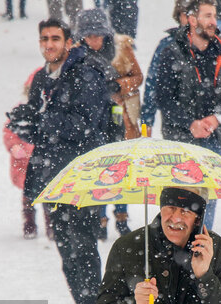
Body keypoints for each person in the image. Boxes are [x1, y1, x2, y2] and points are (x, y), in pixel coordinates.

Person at [6, 18, 108, 304]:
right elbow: (41, 127)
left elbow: (85, 126)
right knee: (66, 248)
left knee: (85, 246)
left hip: (84, 173)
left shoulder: (86, 72)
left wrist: (41, 121)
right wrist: (23, 123)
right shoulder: (40, 78)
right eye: (44, 39)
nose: (49, 44)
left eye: (55, 39)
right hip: (53, 176)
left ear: (68, 42)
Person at [156, 0, 221, 230]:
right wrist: (190, 123)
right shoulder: (172, 51)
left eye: (214, 16)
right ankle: (179, 258)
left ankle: (200, 256)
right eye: (208, 16)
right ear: (192, 19)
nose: (213, 22)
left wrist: (216, 118)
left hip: (211, 140)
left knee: (206, 208)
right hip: (179, 142)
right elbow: (163, 98)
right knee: (179, 208)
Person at [75, 8, 143, 238]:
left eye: (98, 35)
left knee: (121, 170)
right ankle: (100, 218)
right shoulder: (78, 55)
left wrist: (119, 86)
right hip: (93, 121)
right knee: (100, 171)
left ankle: (122, 217)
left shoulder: (121, 48)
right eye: (88, 35)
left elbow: (138, 77)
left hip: (122, 117)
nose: (94, 40)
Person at [3, 69, 53, 240]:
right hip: (24, 161)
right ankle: (29, 221)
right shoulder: (22, 110)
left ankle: (50, 223)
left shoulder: (49, 110)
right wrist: (14, 146)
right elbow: (9, 132)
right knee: (28, 193)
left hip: (44, 159)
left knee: (47, 193)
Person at [140, 0, 188, 130]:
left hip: (208, 130)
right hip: (175, 127)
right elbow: (152, 85)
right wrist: (146, 125)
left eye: (195, 14)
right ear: (178, 15)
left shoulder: (214, 45)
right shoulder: (167, 46)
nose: (191, 19)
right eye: (186, 14)